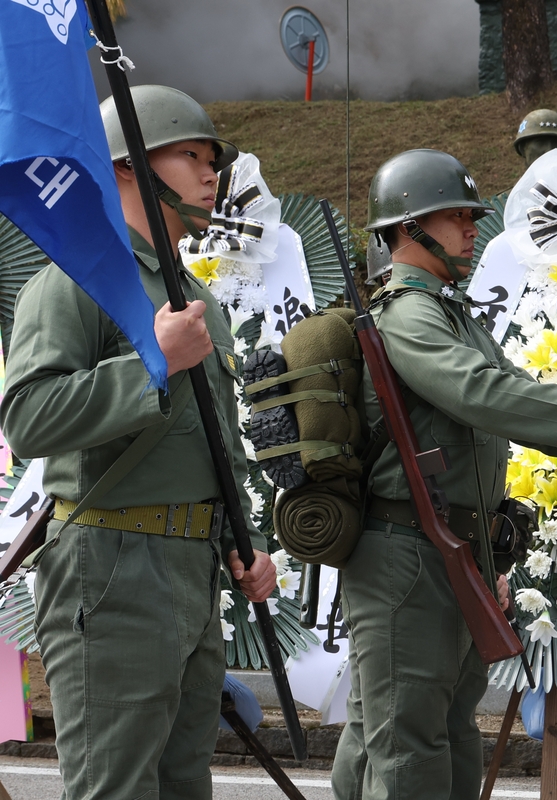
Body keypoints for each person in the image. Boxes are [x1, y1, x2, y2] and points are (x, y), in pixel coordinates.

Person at [330, 148, 557, 800]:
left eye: (471, 216)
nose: (472, 229)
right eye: (456, 217)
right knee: (409, 742)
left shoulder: (451, 310)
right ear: (408, 228)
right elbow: (479, 394)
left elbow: (509, 389)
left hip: (453, 549)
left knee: (439, 725)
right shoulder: (407, 313)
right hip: (406, 554)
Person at [1, 85, 275, 799]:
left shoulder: (195, 297)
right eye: (191, 156)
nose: (212, 174)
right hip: (112, 565)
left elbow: (207, 441)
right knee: (115, 788)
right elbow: (27, 417)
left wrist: (238, 546)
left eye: (214, 160)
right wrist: (150, 364)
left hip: (190, 568)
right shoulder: (78, 281)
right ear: (127, 168)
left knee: (183, 785)